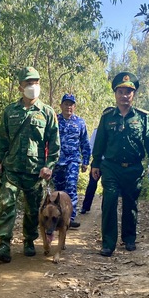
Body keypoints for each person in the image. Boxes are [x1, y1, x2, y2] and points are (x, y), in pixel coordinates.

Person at [0, 66, 60, 263]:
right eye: (28, 83)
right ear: (20, 87)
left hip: (35, 172)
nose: (32, 86)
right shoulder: (10, 111)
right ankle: (3, 244)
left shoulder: (47, 112)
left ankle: (29, 240)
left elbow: (54, 143)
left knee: (31, 209)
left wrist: (49, 166)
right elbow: (2, 138)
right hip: (11, 168)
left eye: (35, 82)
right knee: (6, 204)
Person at [91, 72, 149, 257]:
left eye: (128, 92)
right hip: (111, 167)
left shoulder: (142, 118)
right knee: (110, 201)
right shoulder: (107, 117)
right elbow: (100, 142)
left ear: (133, 95)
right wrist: (95, 163)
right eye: (121, 92)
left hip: (133, 168)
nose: (124, 96)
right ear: (115, 94)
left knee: (130, 204)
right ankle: (108, 243)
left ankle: (129, 239)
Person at [52, 94, 91, 228]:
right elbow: (47, 140)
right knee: (58, 191)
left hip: (73, 160)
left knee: (71, 187)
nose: (68, 107)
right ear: (61, 105)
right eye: (66, 104)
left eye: (71, 104)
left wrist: (86, 161)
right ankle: (58, 217)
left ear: (74, 107)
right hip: (57, 161)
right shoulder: (54, 120)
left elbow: (85, 142)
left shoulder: (80, 122)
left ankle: (69, 218)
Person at [80, 127, 98, 214]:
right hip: (97, 161)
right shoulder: (97, 131)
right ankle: (85, 207)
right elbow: (91, 145)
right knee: (92, 184)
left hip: (109, 163)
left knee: (107, 186)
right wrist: (86, 161)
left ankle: (105, 208)